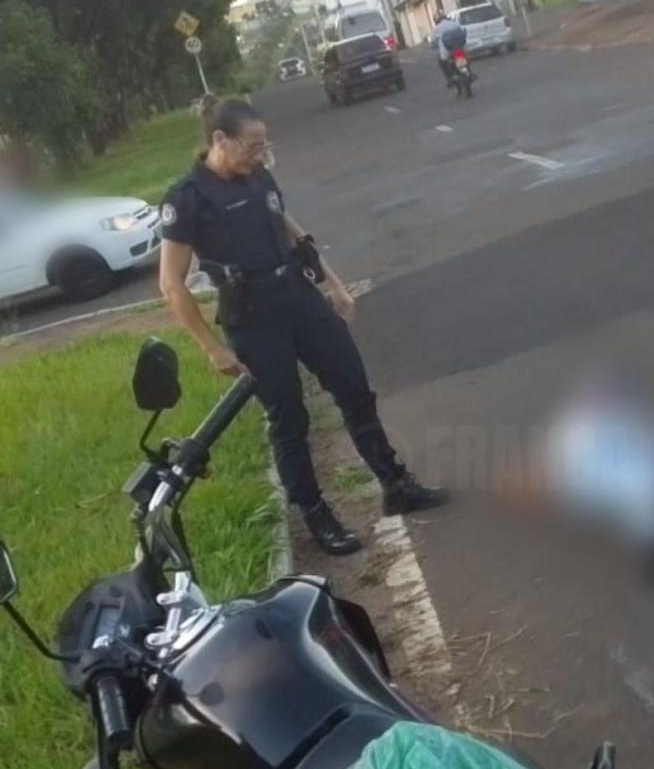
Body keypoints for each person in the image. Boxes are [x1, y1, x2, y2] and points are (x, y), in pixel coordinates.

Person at [158, 98, 447, 556]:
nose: (259, 154)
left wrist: (333, 284)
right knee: (289, 420)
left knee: (354, 386)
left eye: (263, 145)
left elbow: (291, 229)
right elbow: (171, 285)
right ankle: (317, 516)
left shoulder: (258, 176)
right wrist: (211, 348)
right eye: (252, 145)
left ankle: (395, 483)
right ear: (220, 141)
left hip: (299, 297)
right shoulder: (187, 198)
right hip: (252, 319)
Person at [433, 9, 466, 89]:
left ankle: (450, 78)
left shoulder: (437, 28)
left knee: (442, 62)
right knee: (463, 59)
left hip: (447, 51)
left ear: (436, 20)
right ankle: (468, 72)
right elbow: (462, 31)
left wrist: (433, 46)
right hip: (460, 47)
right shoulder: (454, 23)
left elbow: (433, 42)